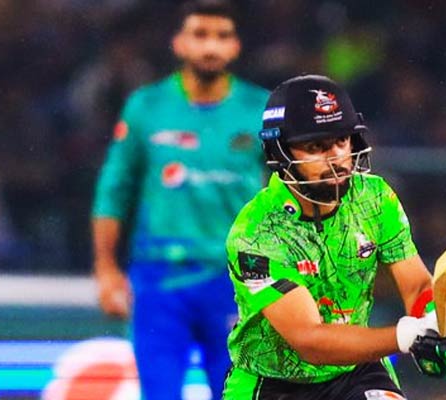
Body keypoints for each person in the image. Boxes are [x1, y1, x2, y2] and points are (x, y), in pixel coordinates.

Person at [223, 74, 446, 399]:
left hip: (357, 372)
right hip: (273, 383)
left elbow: (416, 286)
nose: (336, 159)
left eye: (341, 141)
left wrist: (440, 315)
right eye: (315, 147)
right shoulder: (256, 233)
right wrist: (407, 336)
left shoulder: (374, 197)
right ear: (279, 152)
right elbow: (309, 340)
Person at [91, 1, 269, 398]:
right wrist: (105, 268)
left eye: (222, 36)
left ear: (236, 46)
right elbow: (114, 189)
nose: (211, 47)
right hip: (158, 278)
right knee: (159, 392)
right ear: (179, 43)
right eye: (200, 35)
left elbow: (290, 189)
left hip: (236, 277)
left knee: (238, 391)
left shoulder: (261, 109)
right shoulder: (147, 106)